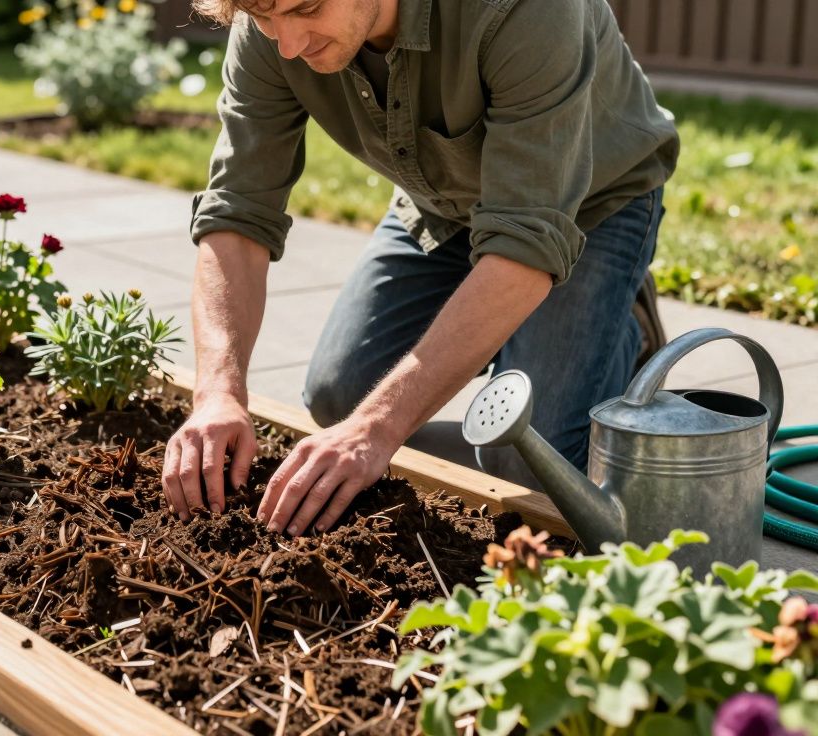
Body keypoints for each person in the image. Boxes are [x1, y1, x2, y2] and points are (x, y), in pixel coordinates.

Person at [163, 0, 679, 536]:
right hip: (444, 205)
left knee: (526, 457)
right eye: (267, 20)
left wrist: (376, 430)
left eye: (308, 9)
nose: (288, 44)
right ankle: (514, 323)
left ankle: (624, 324)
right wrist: (218, 392)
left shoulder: (529, 9)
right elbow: (238, 213)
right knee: (338, 398)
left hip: (592, 203)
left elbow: (526, 244)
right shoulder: (267, 22)